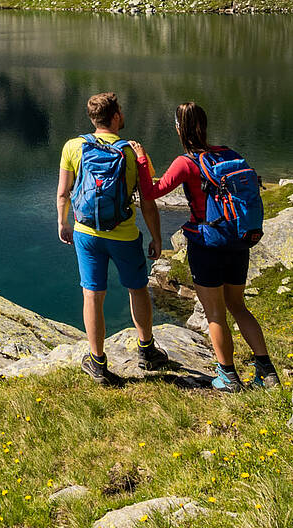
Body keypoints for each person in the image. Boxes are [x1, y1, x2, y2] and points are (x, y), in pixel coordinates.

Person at [143, 101, 280, 391]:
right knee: (238, 306)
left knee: (215, 314)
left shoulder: (186, 162)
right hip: (238, 241)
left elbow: (152, 192)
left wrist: (142, 160)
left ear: (178, 128)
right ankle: (267, 372)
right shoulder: (229, 154)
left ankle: (228, 376)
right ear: (204, 125)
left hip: (207, 243)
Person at [58, 92, 168, 384]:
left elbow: (63, 193)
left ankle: (97, 362)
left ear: (93, 118)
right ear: (116, 116)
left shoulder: (73, 146)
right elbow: (147, 200)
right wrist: (156, 237)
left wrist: (62, 222)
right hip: (124, 234)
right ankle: (147, 351)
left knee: (92, 295)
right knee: (137, 289)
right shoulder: (133, 152)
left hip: (86, 233)